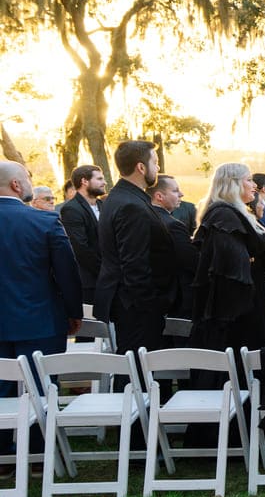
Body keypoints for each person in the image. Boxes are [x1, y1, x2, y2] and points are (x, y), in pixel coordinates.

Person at [0, 161, 82, 418]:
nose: (30, 183)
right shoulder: (45, 221)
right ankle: (38, 452)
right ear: (16, 184)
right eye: (27, 178)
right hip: (40, 321)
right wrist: (73, 312)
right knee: (41, 390)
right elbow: (67, 272)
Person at [190, 163, 265, 359]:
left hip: (253, 299)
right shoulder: (224, 215)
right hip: (243, 308)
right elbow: (230, 264)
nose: (254, 186)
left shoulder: (236, 212)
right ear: (233, 184)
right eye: (248, 180)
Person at [93, 141, 175, 355]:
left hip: (129, 302)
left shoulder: (120, 197)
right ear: (141, 167)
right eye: (155, 162)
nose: (157, 168)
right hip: (136, 305)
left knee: (133, 365)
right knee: (136, 368)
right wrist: (152, 305)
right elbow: (134, 262)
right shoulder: (131, 205)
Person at [147, 175, 198, 318]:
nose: (181, 194)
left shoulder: (142, 217)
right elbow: (190, 262)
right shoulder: (173, 225)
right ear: (159, 196)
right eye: (175, 191)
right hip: (176, 298)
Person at [59, 164, 106, 303]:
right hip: (90, 280)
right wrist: (105, 272)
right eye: (99, 179)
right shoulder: (71, 209)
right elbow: (81, 248)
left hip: (111, 278)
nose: (104, 182)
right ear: (84, 181)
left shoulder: (103, 205)